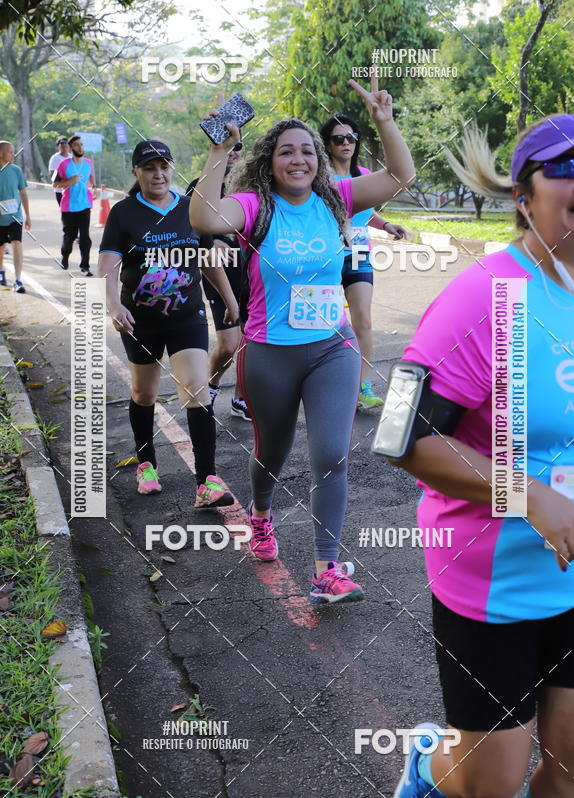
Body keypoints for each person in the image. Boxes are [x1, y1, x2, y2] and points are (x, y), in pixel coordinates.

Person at [391, 114, 574, 798]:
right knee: (492, 780)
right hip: (492, 579)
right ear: (522, 196)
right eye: (566, 166)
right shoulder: (483, 295)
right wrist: (528, 494)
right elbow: (401, 436)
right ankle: (426, 765)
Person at [190, 76, 415, 603]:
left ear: (319, 160)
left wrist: (384, 122)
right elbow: (203, 216)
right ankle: (261, 513)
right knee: (272, 451)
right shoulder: (254, 205)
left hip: (333, 349)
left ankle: (325, 569)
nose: (299, 159)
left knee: (332, 454)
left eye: (308, 151)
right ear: (270, 161)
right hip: (270, 354)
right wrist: (220, 151)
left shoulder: (337, 198)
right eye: (287, 151)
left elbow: (400, 176)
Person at [98, 139, 240, 507]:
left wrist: (230, 300)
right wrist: (114, 305)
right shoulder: (123, 213)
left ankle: (206, 480)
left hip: (186, 316)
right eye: (149, 167)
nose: (158, 174)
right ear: (136, 172)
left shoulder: (189, 207)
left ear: (171, 168)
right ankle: (146, 464)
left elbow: (207, 259)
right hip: (140, 321)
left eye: (164, 166)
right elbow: (108, 266)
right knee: (144, 393)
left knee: (196, 387)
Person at [320, 113, 406, 410]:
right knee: (329, 321)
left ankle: (363, 386)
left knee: (363, 320)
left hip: (358, 255)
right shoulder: (321, 179)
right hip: (326, 256)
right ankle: (328, 380)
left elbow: (365, 210)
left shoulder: (364, 174)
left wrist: (386, 225)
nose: (346, 143)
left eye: (351, 138)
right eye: (338, 139)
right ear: (328, 145)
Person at [185, 140, 250, 421]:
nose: (233, 152)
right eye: (228, 146)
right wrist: (214, 242)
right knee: (229, 345)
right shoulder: (202, 186)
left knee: (251, 342)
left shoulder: (250, 186)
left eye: (238, 146)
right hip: (220, 276)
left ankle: (241, 398)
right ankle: (211, 384)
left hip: (252, 275)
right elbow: (189, 228)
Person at [52, 135, 96, 275]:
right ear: (71, 148)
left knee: (85, 237)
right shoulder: (63, 164)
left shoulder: (88, 163)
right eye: (76, 145)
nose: (80, 147)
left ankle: (85, 266)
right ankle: (65, 256)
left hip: (85, 205)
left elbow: (91, 177)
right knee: (69, 236)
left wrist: (94, 188)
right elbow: (55, 184)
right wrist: (69, 182)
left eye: (81, 144)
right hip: (69, 206)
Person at [0, 140, 30, 294]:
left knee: (17, 243)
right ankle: (1, 271)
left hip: (15, 217)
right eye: (10, 152)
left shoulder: (16, 171)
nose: (13, 155)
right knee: (1, 247)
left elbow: (23, 194)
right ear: (1, 154)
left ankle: (18, 280)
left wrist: (28, 216)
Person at [48, 136, 70, 209]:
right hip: (60, 190)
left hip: (71, 189)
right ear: (58, 147)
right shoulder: (55, 158)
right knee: (65, 210)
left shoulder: (71, 157)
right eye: (62, 145)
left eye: (66, 144)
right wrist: (61, 182)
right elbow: (52, 174)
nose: (64, 147)